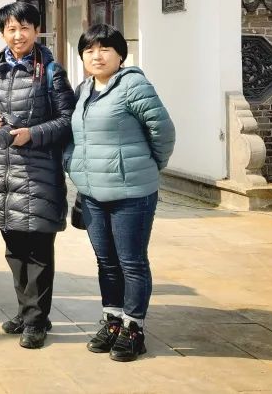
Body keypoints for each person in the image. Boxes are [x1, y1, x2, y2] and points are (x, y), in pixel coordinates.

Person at [67, 24, 175, 363]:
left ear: (120, 55)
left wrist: (150, 165)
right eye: (89, 50)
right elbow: (74, 136)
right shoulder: (84, 90)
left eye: (105, 49)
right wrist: (73, 163)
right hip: (92, 192)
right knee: (106, 262)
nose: (96, 56)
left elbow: (163, 130)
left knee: (132, 262)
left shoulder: (133, 85)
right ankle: (112, 319)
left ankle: (134, 328)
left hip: (131, 193)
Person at [0, 1, 76, 349]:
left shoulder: (51, 71)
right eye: (11, 29)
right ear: (3, 33)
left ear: (36, 30)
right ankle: (26, 311)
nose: (18, 35)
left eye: (25, 28)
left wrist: (33, 134)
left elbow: (67, 120)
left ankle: (35, 320)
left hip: (38, 173)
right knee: (14, 250)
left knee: (38, 251)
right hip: (1, 172)